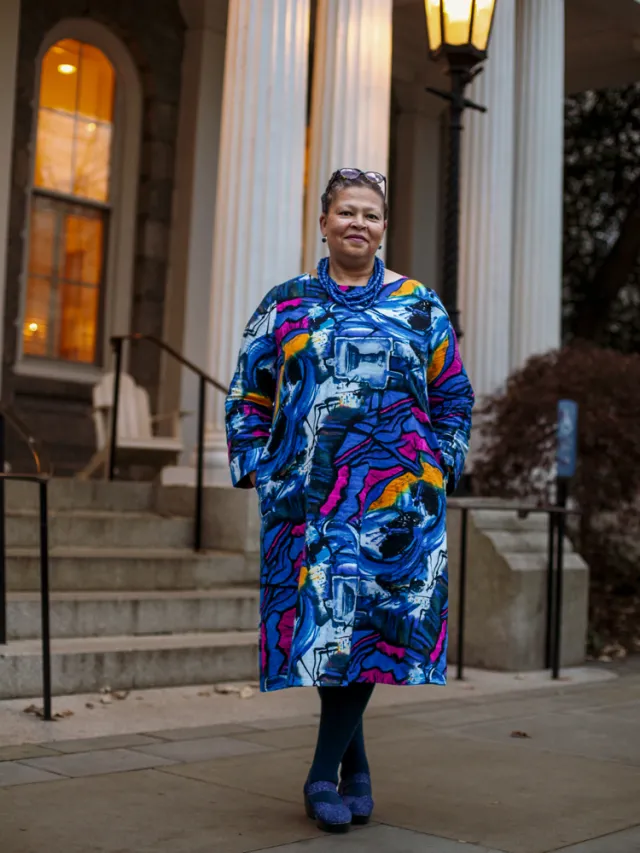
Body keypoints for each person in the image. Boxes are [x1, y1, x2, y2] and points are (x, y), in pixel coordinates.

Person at [225, 167, 474, 833]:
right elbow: (249, 391)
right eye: (346, 212)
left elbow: (453, 395)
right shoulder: (286, 304)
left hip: (397, 508)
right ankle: (355, 767)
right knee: (327, 631)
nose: (357, 223)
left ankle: (320, 774)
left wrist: (440, 464)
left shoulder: (420, 305)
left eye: (370, 213)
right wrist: (257, 466)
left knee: (368, 631)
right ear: (324, 222)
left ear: (383, 226)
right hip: (308, 506)